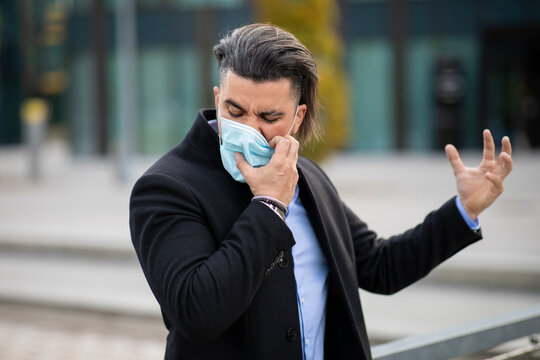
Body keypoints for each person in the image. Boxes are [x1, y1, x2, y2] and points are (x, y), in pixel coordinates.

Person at [129, 23, 513, 360]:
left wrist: (464, 208)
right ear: (217, 98)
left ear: (297, 116)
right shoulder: (166, 187)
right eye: (234, 110)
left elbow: (380, 266)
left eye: (268, 117)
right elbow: (197, 313)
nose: (249, 128)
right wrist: (268, 205)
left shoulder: (309, 177)